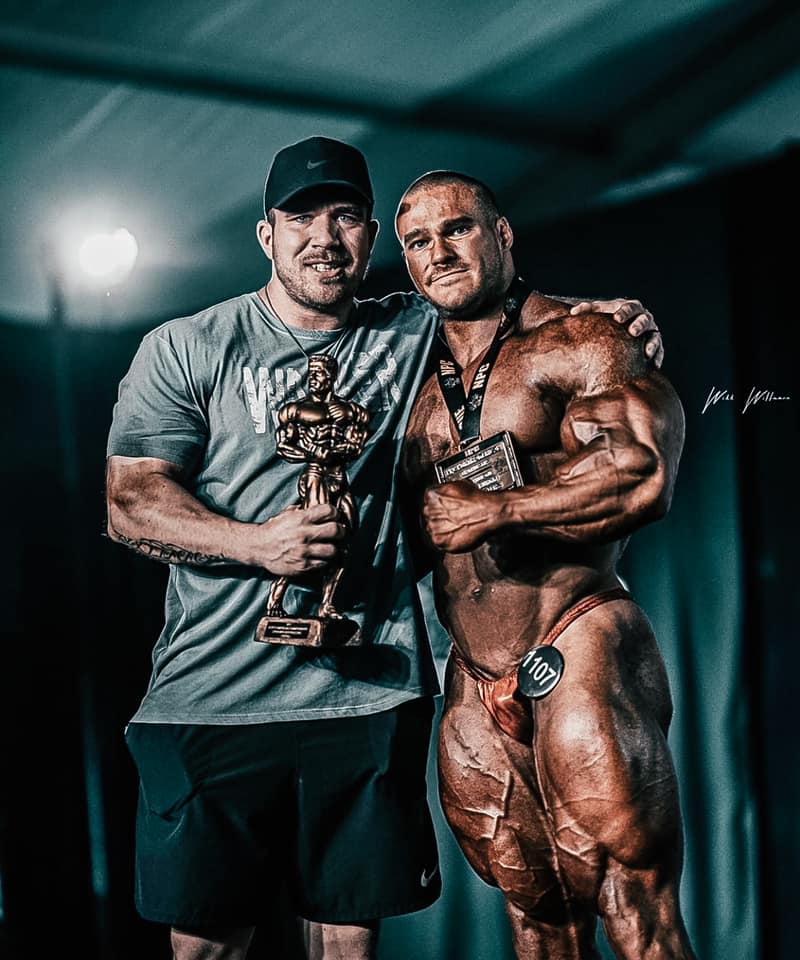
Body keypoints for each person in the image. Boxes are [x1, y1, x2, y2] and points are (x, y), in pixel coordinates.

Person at [105, 136, 662, 960]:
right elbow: (131, 502)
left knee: (349, 947)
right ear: (266, 235)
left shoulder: (410, 330)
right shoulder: (188, 345)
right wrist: (258, 544)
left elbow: (508, 311)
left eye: (346, 218)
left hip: (364, 701)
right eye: (301, 219)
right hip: (213, 700)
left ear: (371, 238)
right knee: (207, 949)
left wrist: (606, 315)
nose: (323, 238)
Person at [398, 171, 695, 960]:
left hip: (577, 635)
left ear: (502, 234)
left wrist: (500, 509)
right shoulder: (402, 377)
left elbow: (641, 471)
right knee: (537, 921)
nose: (439, 252)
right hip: (473, 672)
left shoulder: (582, 339)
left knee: (634, 907)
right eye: (418, 241)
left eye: (457, 229)